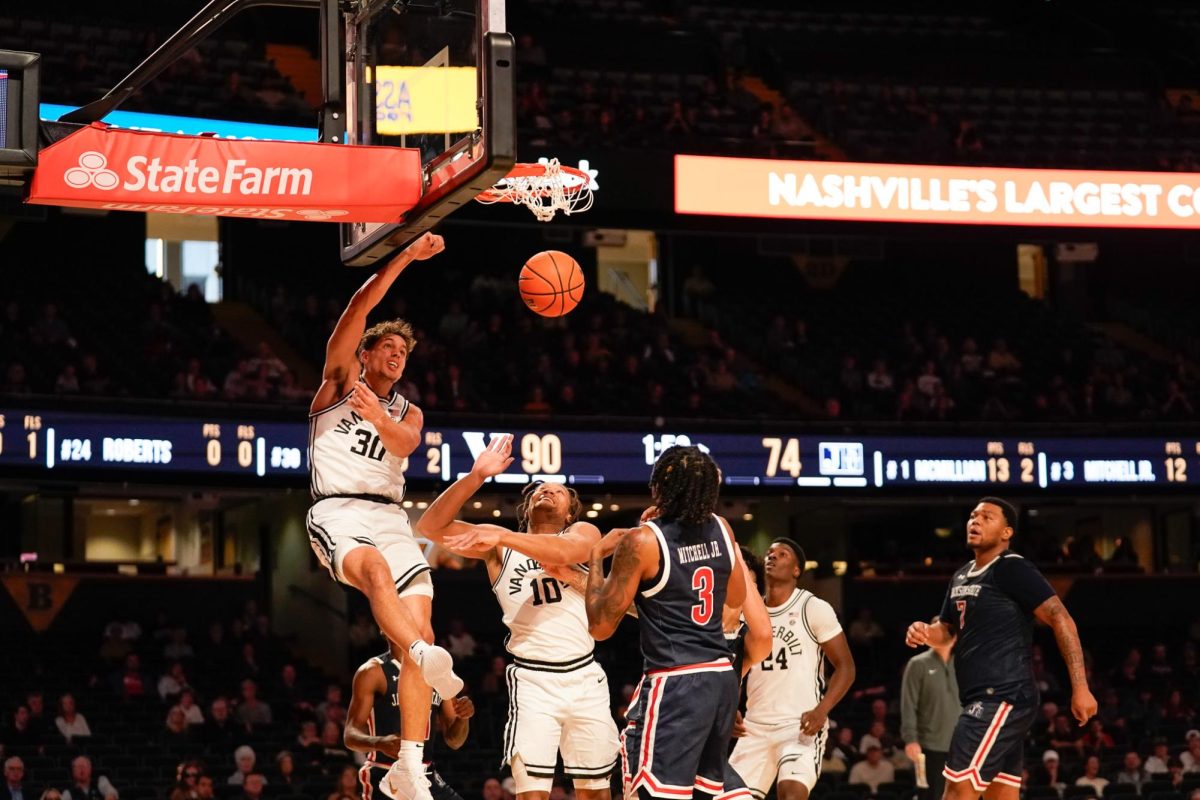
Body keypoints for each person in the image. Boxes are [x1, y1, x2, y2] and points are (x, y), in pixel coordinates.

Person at [307, 232, 461, 800]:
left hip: (390, 514)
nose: (397, 356)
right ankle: (422, 659)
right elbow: (358, 307)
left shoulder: (407, 408)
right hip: (339, 511)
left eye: (405, 352)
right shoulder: (338, 385)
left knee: (422, 625)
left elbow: (404, 444)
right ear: (365, 355)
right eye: (388, 348)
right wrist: (404, 258)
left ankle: (410, 768)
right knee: (374, 573)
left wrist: (378, 416)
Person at [415, 434, 621, 800]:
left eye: (557, 491)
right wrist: (476, 475)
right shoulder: (497, 547)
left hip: (585, 676)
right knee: (531, 794)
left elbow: (566, 550)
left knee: (596, 793)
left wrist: (502, 537)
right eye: (540, 489)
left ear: (571, 512)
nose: (547, 491)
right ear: (525, 510)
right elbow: (429, 527)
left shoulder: (581, 532)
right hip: (533, 680)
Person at [583, 445, 769, 800]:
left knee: (654, 792)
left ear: (660, 488)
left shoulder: (642, 541)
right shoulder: (722, 527)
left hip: (676, 680)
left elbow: (599, 627)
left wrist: (595, 556)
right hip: (721, 679)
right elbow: (733, 597)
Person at [905, 497, 1097, 799]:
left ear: (1007, 532)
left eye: (986, 517)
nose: (975, 521)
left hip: (1002, 696)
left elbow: (1061, 618)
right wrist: (925, 632)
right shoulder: (961, 574)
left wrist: (1080, 686)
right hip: (982, 699)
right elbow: (947, 631)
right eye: (972, 515)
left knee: (956, 790)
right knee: (1000, 796)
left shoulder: (1011, 568)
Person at [728, 539, 856, 800]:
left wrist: (822, 710)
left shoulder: (813, 608)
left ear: (797, 570)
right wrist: (728, 707)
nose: (772, 557)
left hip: (799, 725)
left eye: (782, 554)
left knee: (791, 794)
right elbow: (736, 667)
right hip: (755, 728)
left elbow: (846, 667)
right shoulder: (750, 612)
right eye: (770, 553)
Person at [344, 644, 473, 800]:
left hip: (425, 774)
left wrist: (463, 717)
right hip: (386, 772)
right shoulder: (373, 672)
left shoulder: (436, 668)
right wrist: (380, 742)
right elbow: (350, 735)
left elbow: (455, 741)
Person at [901, 625, 959, 800]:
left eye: (946, 632)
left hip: (961, 747)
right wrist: (911, 739)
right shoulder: (917, 664)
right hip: (928, 746)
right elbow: (908, 703)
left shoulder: (963, 663)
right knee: (930, 795)